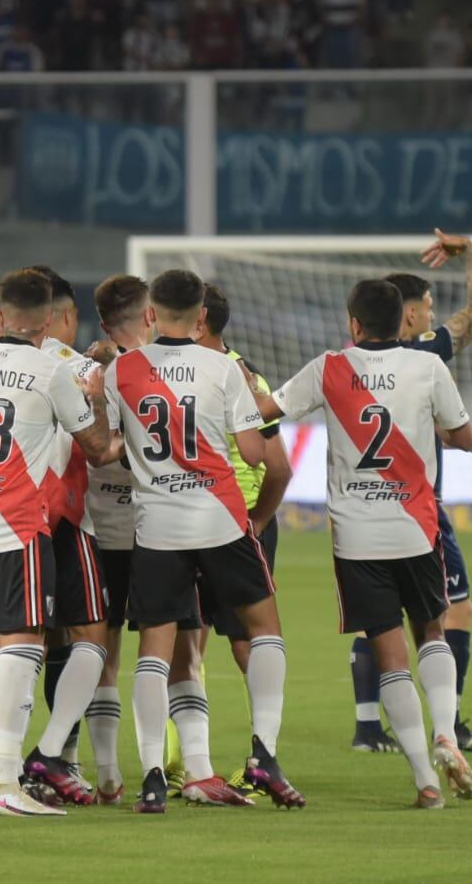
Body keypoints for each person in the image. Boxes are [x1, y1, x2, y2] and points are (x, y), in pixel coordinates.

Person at [260, 279, 472, 808]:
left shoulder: (329, 368)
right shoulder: (428, 367)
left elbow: (266, 411)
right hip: (415, 529)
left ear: (354, 324)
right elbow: (460, 433)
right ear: (403, 320)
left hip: (356, 538)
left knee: (388, 652)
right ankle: (446, 730)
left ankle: (424, 782)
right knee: (433, 630)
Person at [104, 269, 304, 813]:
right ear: (200, 318)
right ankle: (264, 750)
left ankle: (149, 774)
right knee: (263, 629)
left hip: (158, 527)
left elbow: (107, 445)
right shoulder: (225, 368)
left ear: (150, 315)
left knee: (156, 650)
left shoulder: (121, 370)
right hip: (220, 520)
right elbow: (257, 454)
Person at [0, 268, 114, 817]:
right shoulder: (51, 371)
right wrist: (97, 398)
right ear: (49, 318)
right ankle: (4, 780)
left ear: (1, 315)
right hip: (18, 522)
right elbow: (99, 447)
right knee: (25, 646)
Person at [371, 229, 472, 755]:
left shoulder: (350, 362)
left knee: (377, 620)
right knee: (453, 612)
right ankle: (448, 727)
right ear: (406, 315)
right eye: (425, 307)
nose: (430, 315)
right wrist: (468, 250)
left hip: (363, 504)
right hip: (420, 506)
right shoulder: (427, 355)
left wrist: (457, 441)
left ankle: (365, 727)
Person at [192, 285, 292, 793]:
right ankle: (260, 756)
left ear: (199, 318)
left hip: (218, 521)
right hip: (235, 523)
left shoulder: (235, 378)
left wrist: (257, 520)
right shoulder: (248, 376)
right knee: (241, 640)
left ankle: (190, 764)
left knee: (196, 641)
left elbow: (276, 467)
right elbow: (279, 466)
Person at [22, 265, 108, 805]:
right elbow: (100, 445)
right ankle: (49, 756)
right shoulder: (75, 368)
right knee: (92, 640)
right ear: (63, 316)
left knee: (12, 643)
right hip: (65, 515)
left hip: (3, 516)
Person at [79, 274, 152, 804]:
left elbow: (89, 447)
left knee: (99, 651)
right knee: (171, 651)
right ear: (150, 315)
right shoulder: (160, 371)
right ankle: (177, 767)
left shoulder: (87, 371)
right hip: (153, 531)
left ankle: (107, 773)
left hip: (98, 530)